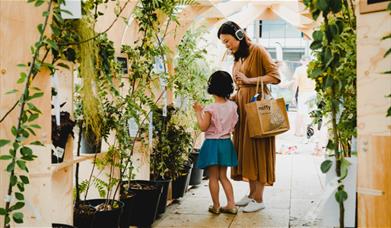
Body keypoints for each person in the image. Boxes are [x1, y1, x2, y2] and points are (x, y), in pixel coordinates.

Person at [217, 21, 280, 212]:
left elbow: (275, 76)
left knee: (258, 150)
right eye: (224, 43)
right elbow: (241, 86)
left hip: (259, 108)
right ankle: (252, 194)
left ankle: (259, 200)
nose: (227, 46)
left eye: (228, 41)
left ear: (238, 35)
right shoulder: (238, 58)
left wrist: (249, 80)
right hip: (243, 109)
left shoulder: (258, 50)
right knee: (247, 152)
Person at [193, 70, 239, 215]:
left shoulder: (210, 109)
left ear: (212, 87)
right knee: (223, 176)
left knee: (213, 177)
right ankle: (231, 204)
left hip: (212, 144)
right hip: (226, 143)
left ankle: (216, 206)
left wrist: (198, 112)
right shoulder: (233, 106)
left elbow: (203, 127)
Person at [292, 55, 316, 138]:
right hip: (313, 93)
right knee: (311, 114)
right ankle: (310, 132)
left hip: (303, 94)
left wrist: (293, 96)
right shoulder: (314, 69)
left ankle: (298, 132)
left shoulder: (299, 69)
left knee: (300, 113)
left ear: (302, 61)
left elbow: (296, 83)